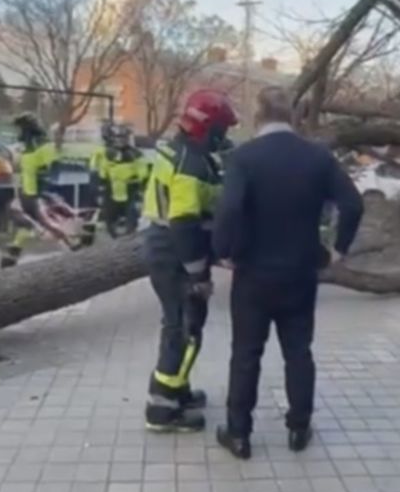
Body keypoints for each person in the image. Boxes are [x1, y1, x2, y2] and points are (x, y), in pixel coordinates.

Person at [212, 87, 364, 459]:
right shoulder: (317, 157)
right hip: (300, 273)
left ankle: (239, 434)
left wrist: (225, 252)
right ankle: (298, 428)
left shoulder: (244, 157)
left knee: (246, 353)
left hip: (253, 274)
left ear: (258, 118)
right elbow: (353, 204)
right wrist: (337, 250)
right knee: (298, 351)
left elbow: (230, 210)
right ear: (292, 118)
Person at [140, 89, 238, 432]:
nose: (223, 137)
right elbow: (183, 223)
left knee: (178, 323)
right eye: (221, 131)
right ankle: (162, 408)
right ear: (207, 128)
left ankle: (176, 390)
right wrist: (198, 274)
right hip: (175, 252)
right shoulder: (191, 164)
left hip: (165, 247)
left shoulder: (181, 150)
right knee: (186, 328)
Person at [1, 113, 66, 268]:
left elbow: (53, 168)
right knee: (28, 222)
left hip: (36, 193)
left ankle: (73, 249)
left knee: (40, 223)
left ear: (27, 129)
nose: (18, 133)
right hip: (27, 191)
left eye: (20, 128)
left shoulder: (43, 146)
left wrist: (42, 182)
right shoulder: (28, 147)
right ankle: (12, 256)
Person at [101, 125, 147, 238]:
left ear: (127, 138)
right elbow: (103, 171)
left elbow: (143, 172)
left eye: (123, 138)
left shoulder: (136, 154)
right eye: (118, 138)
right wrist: (102, 185)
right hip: (112, 191)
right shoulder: (108, 153)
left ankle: (129, 238)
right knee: (109, 221)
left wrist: (136, 180)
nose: (120, 140)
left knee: (132, 220)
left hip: (130, 191)